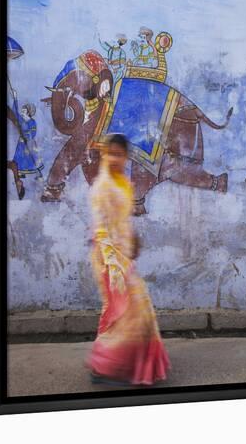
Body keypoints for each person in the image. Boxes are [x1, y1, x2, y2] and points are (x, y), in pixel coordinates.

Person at [85, 133, 170, 386]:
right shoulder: (102, 187)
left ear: (125, 157)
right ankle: (105, 365)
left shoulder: (123, 182)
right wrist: (112, 265)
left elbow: (122, 220)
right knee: (126, 310)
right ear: (103, 154)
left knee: (128, 310)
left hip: (122, 256)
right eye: (109, 153)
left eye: (119, 154)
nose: (114, 158)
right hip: (108, 258)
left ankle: (114, 365)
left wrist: (133, 240)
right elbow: (101, 229)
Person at [11, 89, 44, 179]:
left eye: (24, 111)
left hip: (29, 143)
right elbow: (14, 111)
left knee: (32, 158)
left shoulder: (32, 122)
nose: (22, 112)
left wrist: (27, 137)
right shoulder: (21, 120)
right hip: (21, 142)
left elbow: (33, 133)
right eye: (22, 111)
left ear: (28, 112)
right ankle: (21, 172)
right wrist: (15, 98)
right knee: (19, 157)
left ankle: (38, 173)